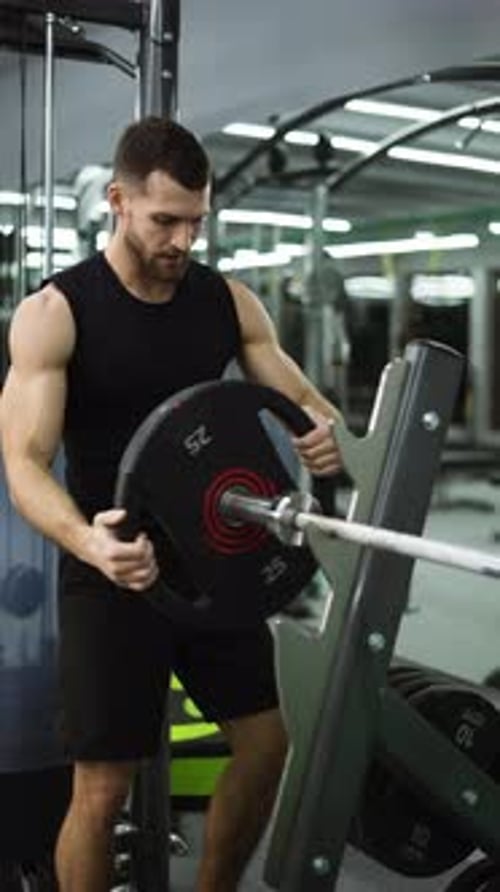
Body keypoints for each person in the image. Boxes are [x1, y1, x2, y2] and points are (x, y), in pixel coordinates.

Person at [0, 116, 342, 892]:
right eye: (165, 220)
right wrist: (91, 545)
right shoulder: (57, 312)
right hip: (112, 562)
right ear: (118, 201)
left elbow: (303, 401)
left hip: (216, 559)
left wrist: (325, 435)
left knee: (265, 745)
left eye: (196, 220)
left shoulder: (227, 301)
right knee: (102, 789)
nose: (183, 240)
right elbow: (21, 463)